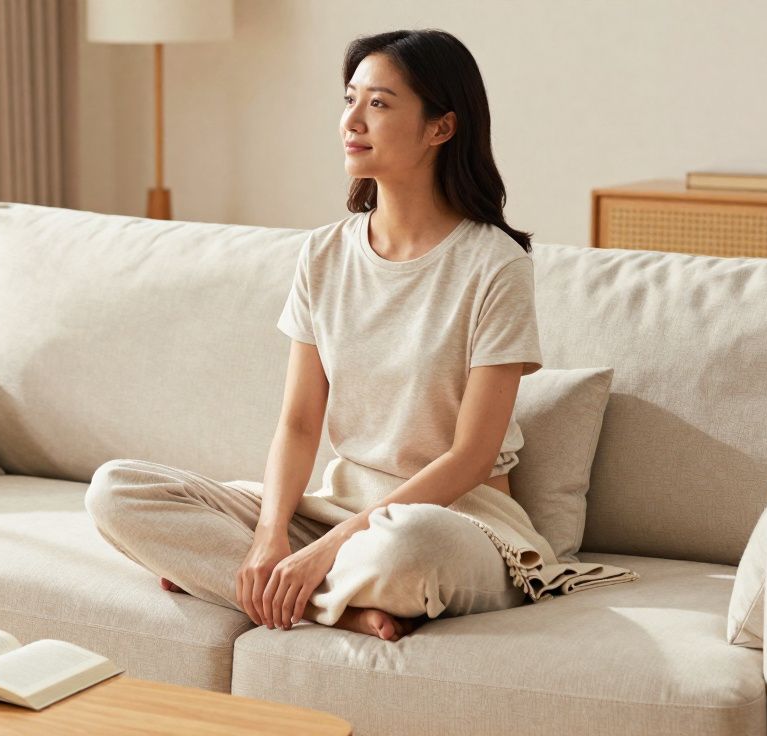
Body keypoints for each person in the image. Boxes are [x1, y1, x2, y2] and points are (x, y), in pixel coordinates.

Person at [86, 29, 549, 643]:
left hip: (454, 523)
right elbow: (300, 424)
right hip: (337, 505)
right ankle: (326, 605)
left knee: (404, 552)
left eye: (379, 104)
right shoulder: (325, 252)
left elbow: (472, 457)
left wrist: (326, 549)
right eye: (350, 98)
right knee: (116, 491)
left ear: (440, 128)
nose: (352, 120)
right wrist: (271, 535)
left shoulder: (496, 266)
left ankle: (244, 586)